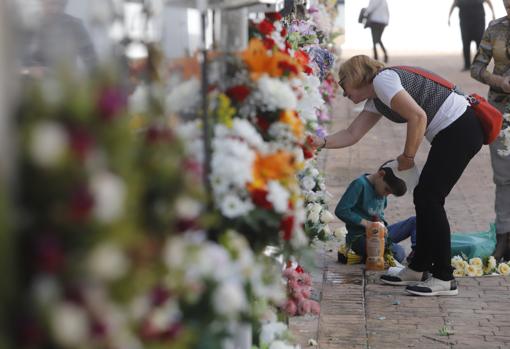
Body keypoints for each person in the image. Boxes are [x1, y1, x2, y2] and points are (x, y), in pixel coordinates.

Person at [310, 55, 484, 296]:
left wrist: (408, 157)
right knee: (424, 197)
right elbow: (352, 134)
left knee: (430, 199)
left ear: (356, 76)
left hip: (460, 128)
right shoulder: (377, 96)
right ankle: (418, 268)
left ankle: (444, 277)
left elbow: (418, 116)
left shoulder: (384, 80)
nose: (343, 92)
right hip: (455, 130)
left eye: (342, 83)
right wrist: (320, 142)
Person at [471, 0, 510, 262]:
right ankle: (504, 238)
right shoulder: (495, 28)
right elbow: (477, 68)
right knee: (503, 176)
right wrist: (499, 81)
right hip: (501, 113)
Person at [335, 159, 417, 264]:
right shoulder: (360, 184)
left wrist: (382, 224)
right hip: (360, 238)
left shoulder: (381, 190)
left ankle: (416, 254)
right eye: (387, 190)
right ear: (381, 174)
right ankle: (365, 256)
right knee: (398, 253)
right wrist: (367, 224)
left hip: (379, 234)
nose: (386, 195)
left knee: (415, 221)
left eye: (390, 193)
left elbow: (380, 214)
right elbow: (341, 210)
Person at [21, 0, 97, 77]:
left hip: (67, 83)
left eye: (61, 5)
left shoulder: (75, 26)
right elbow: (21, 64)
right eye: (51, 4)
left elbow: (92, 62)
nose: (55, 10)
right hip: (38, 84)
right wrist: (32, 70)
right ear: (41, 2)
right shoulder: (30, 26)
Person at [448, 0, 495, 71]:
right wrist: (449, 17)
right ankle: (467, 65)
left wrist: (493, 13)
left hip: (478, 22)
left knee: (479, 44)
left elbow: (488, 1)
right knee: (466, 45)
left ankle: (479, 65)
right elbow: (454, 4)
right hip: (465, 23)